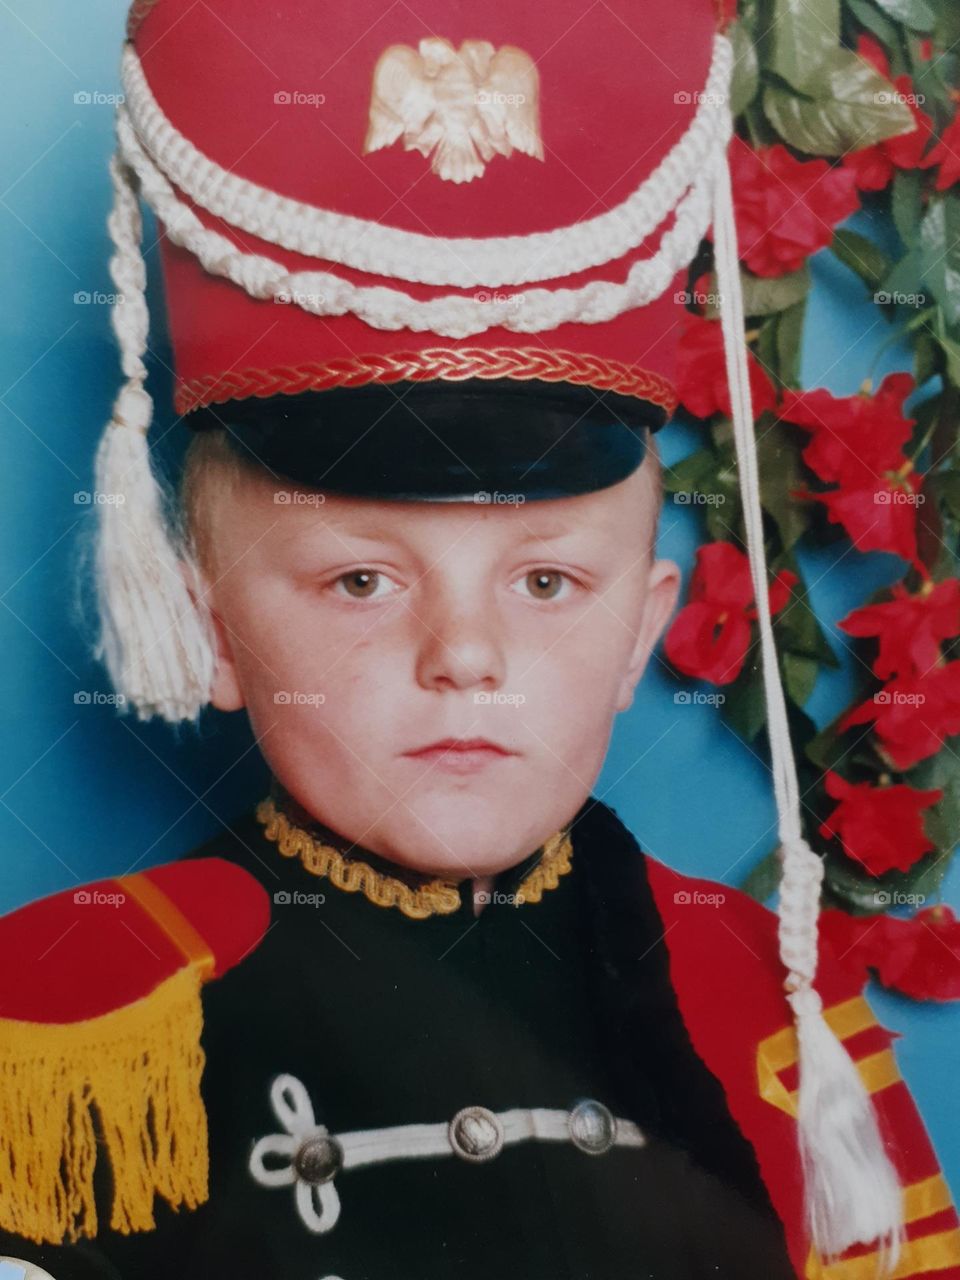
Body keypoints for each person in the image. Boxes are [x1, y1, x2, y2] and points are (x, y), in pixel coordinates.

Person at [0, 0, 958, 1277]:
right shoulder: (63, 1020)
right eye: (357, 581)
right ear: (206, 627)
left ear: (641, 635)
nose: (465, 653)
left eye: (549, 582)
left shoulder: (778, 1011)